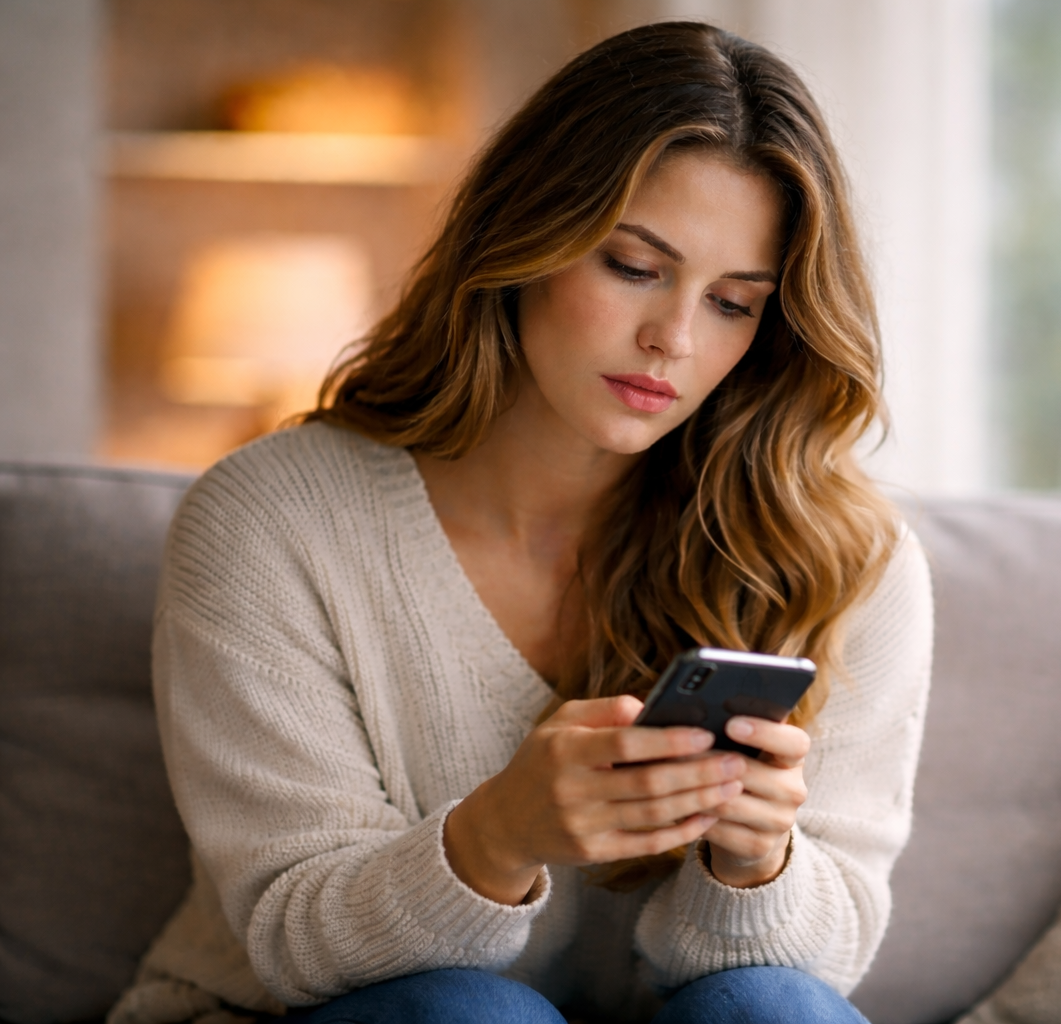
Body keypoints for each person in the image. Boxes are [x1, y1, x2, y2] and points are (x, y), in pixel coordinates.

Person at [109, 21, 933, 1024]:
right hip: (321, 1011)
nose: (671, 338)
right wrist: (496, 834)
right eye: (633, 266)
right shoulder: (271, 522)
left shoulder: (846, 557)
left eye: (733, 302)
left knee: (779, 1011)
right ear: (526, 240)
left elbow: (824, 964)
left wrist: (756, 863)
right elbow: (294, 941)